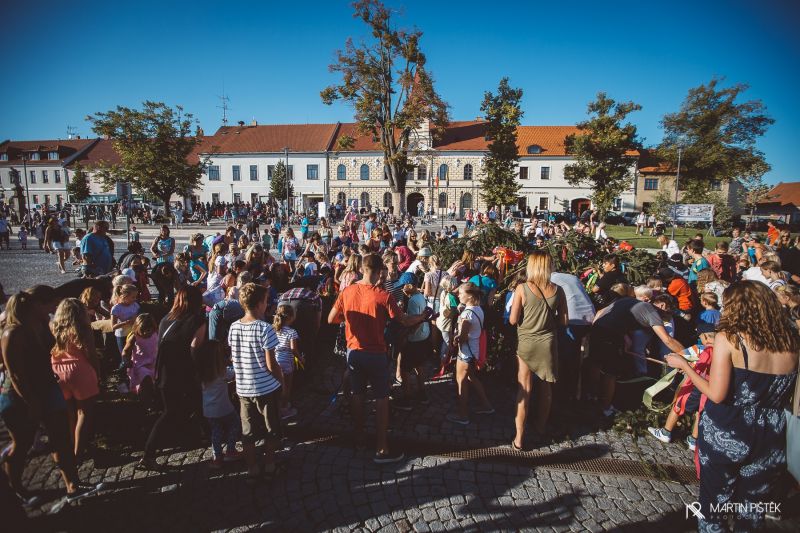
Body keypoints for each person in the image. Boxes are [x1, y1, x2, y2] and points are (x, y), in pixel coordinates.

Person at [665, 281, 798, 531]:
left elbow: (716, 394)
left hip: (729, 428)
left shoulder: (730, 339)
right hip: (770, 432)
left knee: (714, 504)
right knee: (753, 508)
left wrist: (685, 367)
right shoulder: (791, 342)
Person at [1, 288, 104, 505]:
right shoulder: (13, 333)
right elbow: (16, 374)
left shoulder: (42, 325)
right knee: (22, 444)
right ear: (37, 305)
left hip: (48, 388)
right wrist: (32, 402)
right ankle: (15, 488)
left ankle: (72, 485)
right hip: (20, 395)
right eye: (51, 305)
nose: (54, 309)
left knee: (61, 439)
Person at [327, 253, 426, 463]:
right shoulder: (383, 296)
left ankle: (360, 438)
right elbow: (404, 320)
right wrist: (423, 316)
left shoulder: (347, 291)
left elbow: (331, 319)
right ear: (380, 271)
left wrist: (350, 319)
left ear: (362, 269)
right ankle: (382, 448)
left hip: (354, 352)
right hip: (376, 353)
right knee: (381, 398)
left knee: (358, 394)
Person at [140, 287, 207, 469]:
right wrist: (202, 370)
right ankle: (148, 454)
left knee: (190, 405)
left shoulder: (166, 319)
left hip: (164, 371)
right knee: (172, 412)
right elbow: (195, 348)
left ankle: (203, 435)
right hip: (184, 372)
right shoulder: (197, 320)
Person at [588, 292, 686, 416]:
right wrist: (687, 356)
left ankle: (591, 396)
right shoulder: (652, 312)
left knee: (595, 364)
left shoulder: (629, 300)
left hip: (598, 328)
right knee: (611, 372)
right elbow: (667, 340)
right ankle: (605, 407)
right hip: (611, 335)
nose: (667, 318)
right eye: (669, 313)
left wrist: (622, 336)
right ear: (662, 305)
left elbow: (601, 312)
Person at [509, 252, 568, 447]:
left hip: (526, 342)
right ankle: (541, 426)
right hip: (547, 342)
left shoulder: (522, 288)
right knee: (546, 387)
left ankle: (519, 438)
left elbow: (513, 320)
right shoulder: (558, 290)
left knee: (524, 389)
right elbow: (564, 321)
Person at [228, 283, 284, 479]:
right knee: (271, 428)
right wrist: (282, 381)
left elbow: (234, 357)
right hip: (266, 387)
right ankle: (269, 465)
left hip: (244, 387)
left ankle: (252, 469)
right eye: (266, 301)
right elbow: (271, 364)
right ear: (260, 303)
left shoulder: (234, 327)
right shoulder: (265, 329)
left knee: (248, 432)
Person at [648, 323, 716, 451]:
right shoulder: (721, 352)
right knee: (700, 412)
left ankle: (666, 432)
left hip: (694, 386)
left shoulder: (701, 349)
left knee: (678, 406)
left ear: (705, 337)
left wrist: (672, 359)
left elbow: (681, 356)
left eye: (700, 337)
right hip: (709, 389)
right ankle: (694, 440)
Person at [49, 298, 100, 458]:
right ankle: (78, 453)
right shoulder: (83, 328)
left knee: (70, 414)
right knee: (83, 413)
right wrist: (97, 373)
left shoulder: (52, 327)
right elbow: (91, 354)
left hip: (58, 371)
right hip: (79, 371)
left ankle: (72, 447)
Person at [447, 282, 494, 426]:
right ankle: (487, 405)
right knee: (472, 377)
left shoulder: (467, 314)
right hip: (474, 350)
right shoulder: (478, 309)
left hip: (465, 353)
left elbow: (463, 337)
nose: (458, 295)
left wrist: (455, 339)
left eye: (461, 293)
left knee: (461, 381)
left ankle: (463, 415)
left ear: (469, 296)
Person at [196, 339, 241, 469]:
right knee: (235, 424)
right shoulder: (223, 372)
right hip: (224, 407)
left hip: (209, 410)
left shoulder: (202, 373)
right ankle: (230, 450)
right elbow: (235, 374)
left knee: (216, 432)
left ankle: (217, 457)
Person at [393, 284, 432, 410]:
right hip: (423, 336)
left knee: (405, 369)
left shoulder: (413, 300)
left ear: (410, 286)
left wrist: (407, 334)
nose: (402, 290)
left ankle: (407, 398)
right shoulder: (420, 296)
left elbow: (414, 321)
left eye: (403, 287)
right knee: (419, 365)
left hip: (414, 339)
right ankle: (422, 393)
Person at [120, 314, 159, 403]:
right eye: (143, 330)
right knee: (146, 381)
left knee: (154, 384)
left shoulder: (156, 333)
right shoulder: (134, 337)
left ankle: (152, 399)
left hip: (154, 363)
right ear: (137, 328)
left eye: (148, 330)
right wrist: (126, 360)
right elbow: (125, 351)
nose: (145, 333)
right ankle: (145, 403)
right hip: (140, 365)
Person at [273, 304, 300, 419]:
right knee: (287, 387)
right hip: (287, 364)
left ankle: (278, 407)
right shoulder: (292, 332)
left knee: (278, 387)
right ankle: (284, 410)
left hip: (275, 361)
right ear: (291, 317)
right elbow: (294, 350)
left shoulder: (274, 329)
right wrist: (301, 358)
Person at [110, 284, 140, 355]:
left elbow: (138, 317)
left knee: (135, 355)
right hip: (122, 336)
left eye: (135, 297)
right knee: (125, 355)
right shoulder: (116, 308)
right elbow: (113, 327)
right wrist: (127, 322)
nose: (135, 299)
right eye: (133, 297)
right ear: (124, 296)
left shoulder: (135, 305)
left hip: (134, 334)